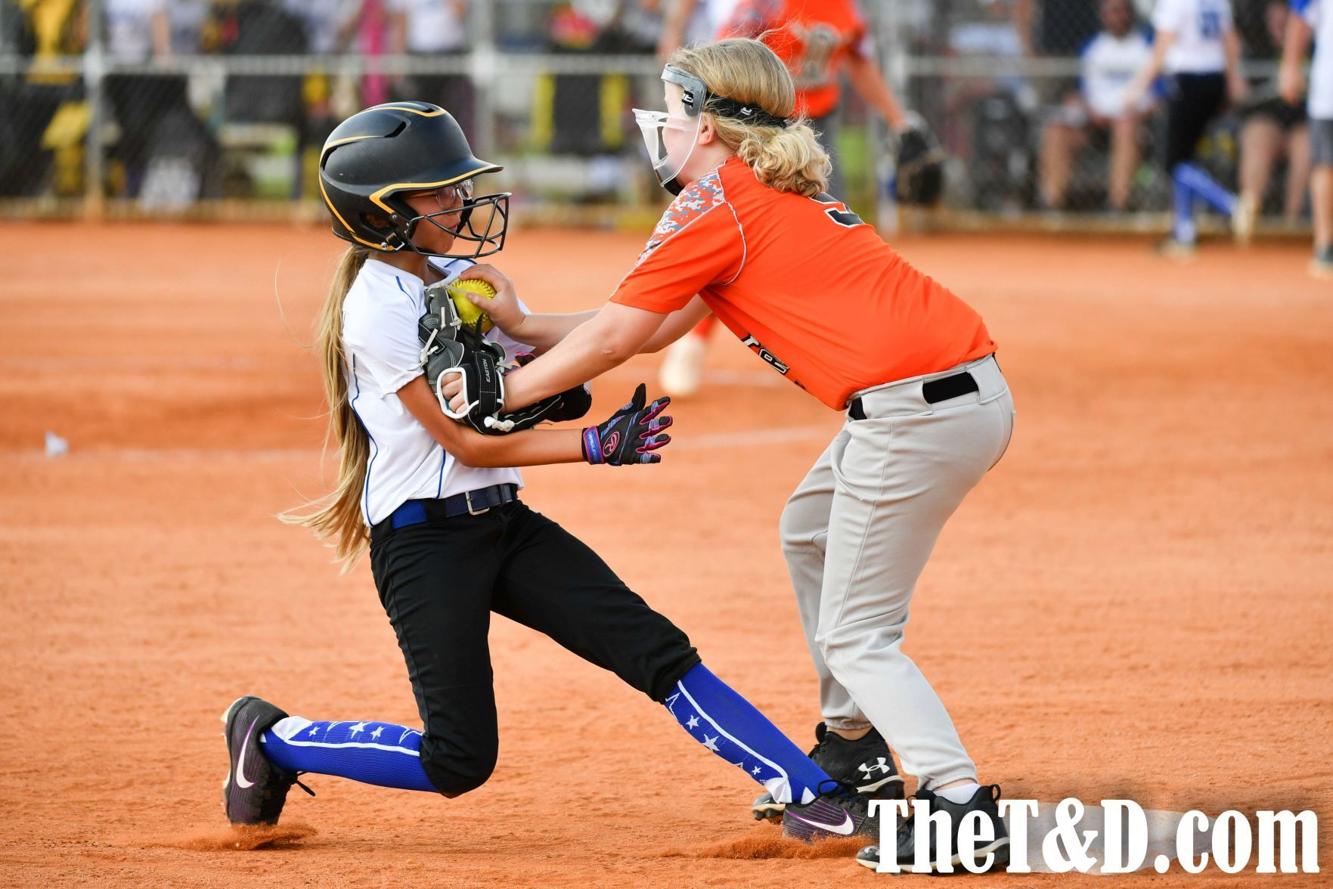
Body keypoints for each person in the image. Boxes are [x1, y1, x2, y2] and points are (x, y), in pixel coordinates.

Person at [221, 100, 881, 845]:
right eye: (438, 191)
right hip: (424, 544)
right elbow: (467, 445)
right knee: (458, 757)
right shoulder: (374, 307)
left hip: (502, 524)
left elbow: (534, 380)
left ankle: (810, 791)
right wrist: (594, 444)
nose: (459, 201)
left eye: (456, 185)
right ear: (380, 212)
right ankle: (272, 739)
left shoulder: (461, 276)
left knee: (657, 651)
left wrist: (551, 375)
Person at [442, 40, 1015, 873]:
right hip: (943, 397)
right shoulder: (753, 191)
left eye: (673, 116)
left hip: (913, 414)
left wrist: (500, 398)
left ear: (707, 127)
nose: (662, 130)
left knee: (856, 632)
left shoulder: (716, 204)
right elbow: (653, 325)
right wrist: (526, 332)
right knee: (806, 529)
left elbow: (613, 339)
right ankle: (851, 747)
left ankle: (958, 804)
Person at [658, 0, 912, 398]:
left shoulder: (845, 10)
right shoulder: (765, 6)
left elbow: (859, 62)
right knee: (735, 235)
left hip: (817, 127)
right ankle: (693, 338)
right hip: (758, 126)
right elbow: (723, 66)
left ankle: (845, 349)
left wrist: (901, 123)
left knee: (830, 242)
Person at [1122, 0, 1248, 256]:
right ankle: (1184, 233)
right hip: (1215, 80)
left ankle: (1230, 205)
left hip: (1187, 81)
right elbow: (1230, 40)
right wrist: (1234, 79)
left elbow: (1161, 48)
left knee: (1174, 162)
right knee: (1186, 159)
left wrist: (1138, 87)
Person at [1037, 0, 1155, 212]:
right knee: (1056, 131)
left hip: (1133, 123)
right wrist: (1089, 110)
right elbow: (1079, 92)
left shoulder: (1146, 44)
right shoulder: (1091, 47)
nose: (1117, 17)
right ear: (1103, 16)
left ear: (1131, 14)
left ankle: (1117, 206)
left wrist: (1136, 113)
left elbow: (1159, 96)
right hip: (1094, 122)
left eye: (1121, 11)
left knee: (1125, 127)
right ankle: (1052, 205)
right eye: (1111, 12)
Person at [1234, 0, 1310, 238]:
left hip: (1301, 120)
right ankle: (1248, 221)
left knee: (1306, 149)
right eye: (1276, 22)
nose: (1281, 26)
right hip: (1265, 116)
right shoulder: (1255, 48)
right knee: (1259, 139)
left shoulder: (1314, 48)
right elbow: (1242, 97)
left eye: (1287, 22)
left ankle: (1291, 225)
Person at [1283, 0, 1333, 276]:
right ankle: (1325, 243)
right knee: (1325, 165)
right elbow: (1299, 18)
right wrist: (1290, 67)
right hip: (1329, 88)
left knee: (1325, 166)